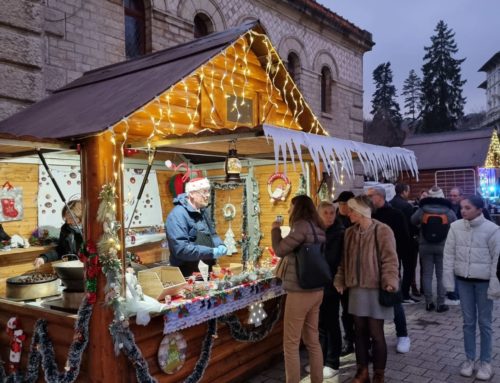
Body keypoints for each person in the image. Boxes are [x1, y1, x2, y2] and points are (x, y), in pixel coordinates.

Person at [334, 195, 399, 383]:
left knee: (377, 334)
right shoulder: (349, 233)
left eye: (352, 210)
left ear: (362, 211)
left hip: (377, 289)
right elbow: (344, 262)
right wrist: (340, 280)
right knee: (359, 332)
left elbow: (390, 260)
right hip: (356, 290)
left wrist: (390, 281)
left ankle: (379, 374)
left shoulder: (382, 230)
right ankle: (362, 372)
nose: (348, 213)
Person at [443, 195, 500, 381]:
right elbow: (448, 255)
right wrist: (449, 283)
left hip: (483, 283)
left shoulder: (493, 230)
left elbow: (497, 261)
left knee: (485, 323)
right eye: (462, 207)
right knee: (468, 323)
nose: (463, 210)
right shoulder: (455, 227)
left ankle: (485, 362)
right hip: (464, 282)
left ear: (479, 209)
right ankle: (469, 359)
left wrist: (494, 286)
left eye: (467, 207)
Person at [272, 195, 326, 383]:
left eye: (290, 207)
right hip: (317, 290)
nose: (288, 210)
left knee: (291, 344)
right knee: (312, 340)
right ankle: (317, 380)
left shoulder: (301, 226)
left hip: (300, 291)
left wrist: (275, 230)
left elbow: (279, 250)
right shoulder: (318, 226)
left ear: (298, 208)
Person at [367, 187, 412, 354]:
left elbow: (403, 239)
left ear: (379, 197)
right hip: (369, 265)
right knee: (372, 302)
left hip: (389, 263)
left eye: (370, 196)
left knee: (394, 299)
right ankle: (374, 339)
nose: (368, 199)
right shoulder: (368, 215)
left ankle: (403, 335)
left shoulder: (395, 214)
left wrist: (395, 262)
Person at [305, 201, 344, 378]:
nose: (329, 216)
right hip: (316, 285)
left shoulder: (339, 233)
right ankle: (319, 361)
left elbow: (334, 259)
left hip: (331, 285)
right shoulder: (314, 231)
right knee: (319, 325)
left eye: (332, 213)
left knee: (331, 323)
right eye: (325, 213)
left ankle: (332, 362)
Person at [165, 177, 227, 277]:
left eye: (208, 192)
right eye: (203, 192)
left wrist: (220, 244)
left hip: (206, 269)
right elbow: (181, 249)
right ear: (192, 194)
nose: (207, 196)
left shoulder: (203, 211)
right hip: (187, 273)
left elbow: (212, 234)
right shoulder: (177, 215)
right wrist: (211, 252)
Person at [411, 185, 457, 312]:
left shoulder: (423, 209)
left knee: (427, 274)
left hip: (425, 246)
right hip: (443, 246)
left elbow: (412, 221)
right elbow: (455, 223)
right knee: (441, 275)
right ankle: (441, 303)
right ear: (442, 196)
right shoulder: (448, 210)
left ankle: (428, 302)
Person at [333, 190, 355, 355]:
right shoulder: (334, 220)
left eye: (343, 204)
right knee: (345, 311)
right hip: (337, 272)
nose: (340, 207)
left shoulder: (355, 220)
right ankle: (348, 342)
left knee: (355, 311)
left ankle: (360, 341)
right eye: (339, 204)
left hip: (353, 272)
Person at [389, 183, 420, 303]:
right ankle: (405, 294)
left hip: (393, 241)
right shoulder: (407, 206)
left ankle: (395, 292)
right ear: (404, 191)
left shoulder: (390, 203)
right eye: (408, 191)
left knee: (395, 269)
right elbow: (411, 224)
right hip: (406, 242)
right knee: (409, 268)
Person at [34, 200, 83, 268]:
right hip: (72, 267)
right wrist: (44, 258)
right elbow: (60, 250)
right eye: (66, 219)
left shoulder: (89, 230)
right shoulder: (65, 228)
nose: (68, 222)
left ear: (80, 215)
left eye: (71, 218)